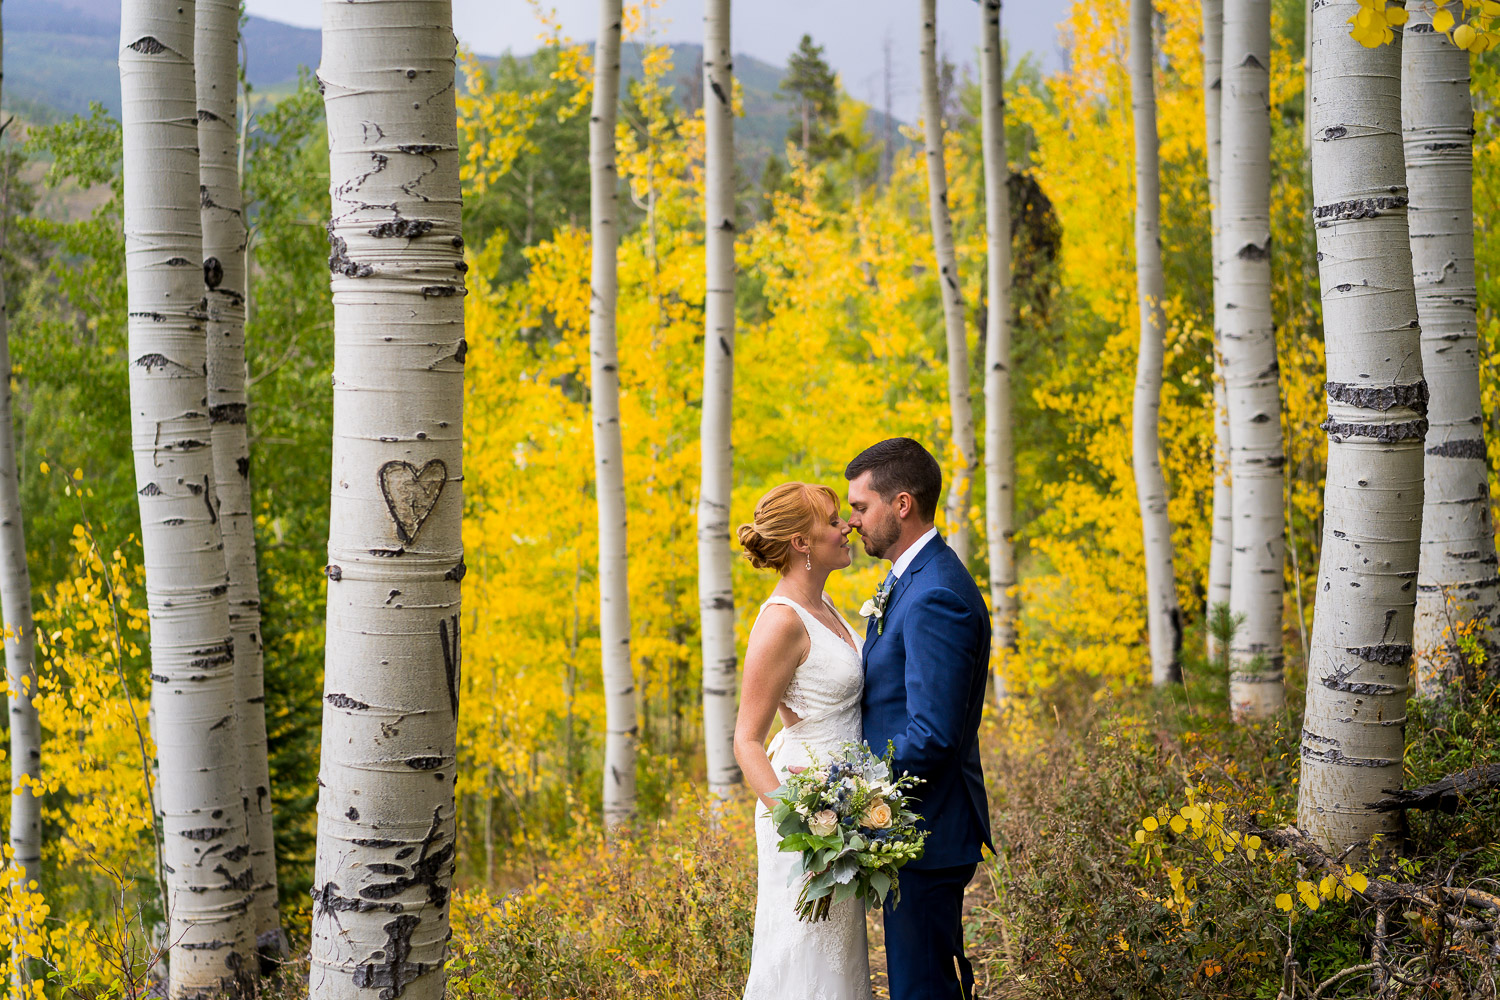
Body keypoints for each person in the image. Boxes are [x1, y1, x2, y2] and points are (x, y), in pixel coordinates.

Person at [847, 437, 992, 1000]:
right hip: (910, 827)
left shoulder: (935, 594)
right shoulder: (912, 577)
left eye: (861, 507)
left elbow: (932, 735)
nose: (854, 521)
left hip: (926, 831)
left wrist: (850, 788)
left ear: (901, 504)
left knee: (921, 989)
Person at [735, 482, 872, 1000]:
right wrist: (800, 822)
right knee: (803, 950)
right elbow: (747, 740)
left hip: (847, 804)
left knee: (840, 956)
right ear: (801, 542)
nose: (848, 527)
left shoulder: (828, 604)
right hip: (806, 810)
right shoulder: (780, 622)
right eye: (834, 521)